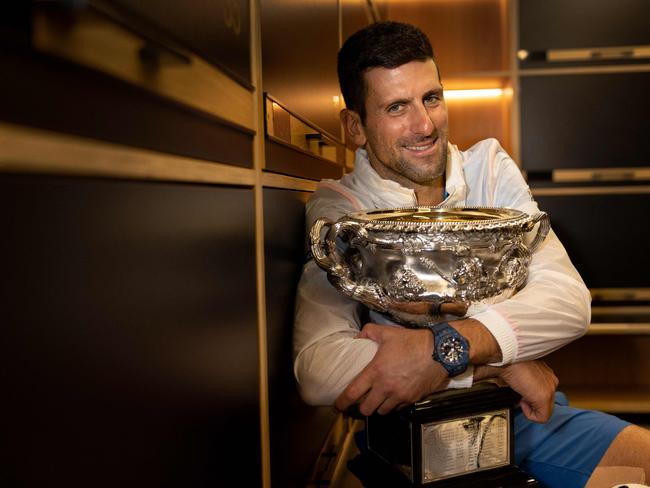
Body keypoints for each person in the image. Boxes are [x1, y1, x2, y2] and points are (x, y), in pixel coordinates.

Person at [293, 21, 650, 487]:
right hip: (418, 443)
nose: (424, 125)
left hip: (526, 418)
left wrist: (438, 351)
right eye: (397, 107)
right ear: (355, 126)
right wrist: (503, 364)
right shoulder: (341, 210)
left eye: (432, 98)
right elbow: (317, 370)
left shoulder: (489, 167)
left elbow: (568, 303)